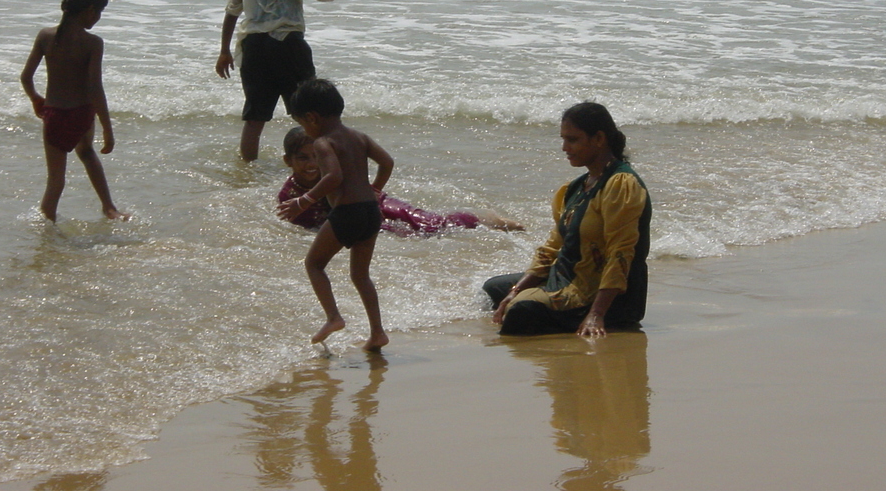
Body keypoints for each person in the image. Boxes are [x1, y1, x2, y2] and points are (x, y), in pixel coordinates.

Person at [483, 102, 651, 338]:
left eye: (572, 140)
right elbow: (553, 248)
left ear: (599, 138)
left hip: (603, 295)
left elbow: (620, 254)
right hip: (567, 277)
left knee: (521, 313)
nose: (564, 147)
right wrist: (517, 289)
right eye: (563, 139)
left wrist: (596, 314)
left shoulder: (621, 185)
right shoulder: (575, 189)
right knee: (494, 289)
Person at [216, 0, 345, 161]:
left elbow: (232, 9)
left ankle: (247, 172)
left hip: (252, 47)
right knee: (310, 113)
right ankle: (318, 167)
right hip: (287, 45)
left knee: (255, 117)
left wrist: (224, 51)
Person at [278, 79, 394, 350]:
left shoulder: (322, 142)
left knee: (314, 265)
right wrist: (374, 189)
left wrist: (302, 201)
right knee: (360, 275)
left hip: (347, 213)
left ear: (311, 117)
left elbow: (333, 176)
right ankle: (377, 333)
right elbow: (387, 162)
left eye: (302, 123)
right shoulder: (359, 136)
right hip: (371, 212)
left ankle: (333, 317)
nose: (305, 130)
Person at [20, 0, 128, 222]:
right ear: (90, 10)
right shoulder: (92, 43)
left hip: (54, 116)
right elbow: (94, 89)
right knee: (88, 153)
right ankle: (109, 208)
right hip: (81, 114)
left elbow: (25, 77)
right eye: (99, 11)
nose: (98, 17)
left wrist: (36, 99)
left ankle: (46, 228)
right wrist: (108, 130)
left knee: (55, 181)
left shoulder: (45, 37)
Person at [278, 127, 522, 235]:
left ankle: (485, 220)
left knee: (429, 224)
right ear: (288, 161)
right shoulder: (289, 195)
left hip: (374, 203)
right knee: (398, 234)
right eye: (302, 158)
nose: (312, 164)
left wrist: (373, 191)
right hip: (355, 221)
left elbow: (383, 164)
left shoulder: (331, 174)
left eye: (316, 157)